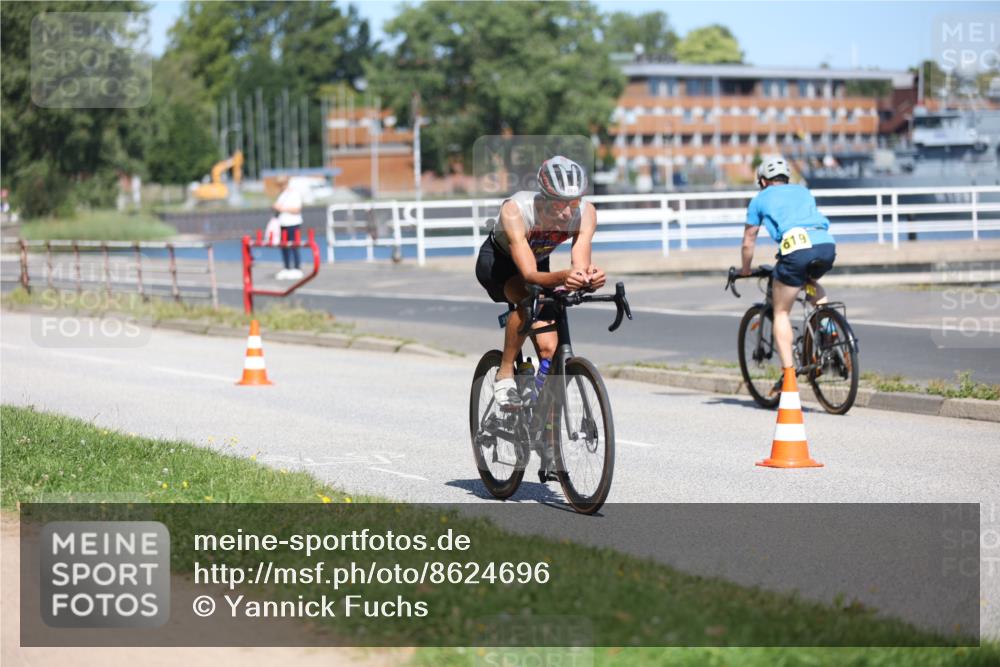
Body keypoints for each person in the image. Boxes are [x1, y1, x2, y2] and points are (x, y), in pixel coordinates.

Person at [475, 156, 606, 407]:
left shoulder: (586, 213)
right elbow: (529, 276)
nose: (569, 211)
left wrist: (588, 278)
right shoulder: (516, 210)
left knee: (548, 348)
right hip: (499, 264)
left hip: (539, 262)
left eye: (575, 201)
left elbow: (578, 263)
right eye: (559, 203)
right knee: (527, 298)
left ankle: (542, 422)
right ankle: (504, 374)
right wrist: (563, 278)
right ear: (544, 197)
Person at [740, 155, 837, 377]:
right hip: (825, 246)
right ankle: (829, 327)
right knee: (809, 282)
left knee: (781, 311)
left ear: (763, 181)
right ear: (786, 177)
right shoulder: (803, 191)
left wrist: (745, 269)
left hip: (796, 252)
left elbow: (749, 240)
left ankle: (789, 373)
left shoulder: (760, 199)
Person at [272, 175, 303, 280]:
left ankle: (297, 268)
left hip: (293, 223)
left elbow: (297, 209)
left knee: (294, 245)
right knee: (284, 246)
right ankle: (286, 267)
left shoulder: (294, 193)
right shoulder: (282, 194)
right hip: (282, 223)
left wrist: (282, 208)